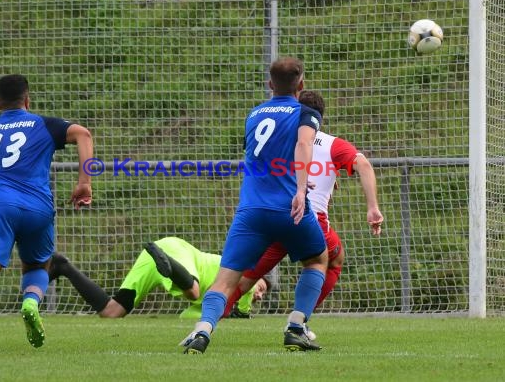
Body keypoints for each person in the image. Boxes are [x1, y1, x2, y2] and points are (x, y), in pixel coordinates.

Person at [181, 57, 328, 354]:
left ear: (270, 84)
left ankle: (203, 329)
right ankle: (296, 327)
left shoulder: (254, 114)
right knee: (317, 260)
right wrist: (300, 188)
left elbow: (267, 156)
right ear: (301, 84)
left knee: (225, 281)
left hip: (251, 212)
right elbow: (303, 144)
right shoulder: (306, 111)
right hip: (290, 209)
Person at [223, 90, 384, 327]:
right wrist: (373, 208)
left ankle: (210, 317)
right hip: (309, 218)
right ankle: (300, 319)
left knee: (246, 277)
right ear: (321, 118)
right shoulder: (332, 144)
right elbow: (363, 164)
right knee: (333, 259)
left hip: (275, 212)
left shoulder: (282, 140)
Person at [0, 74, 93, 352]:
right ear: (27, 99)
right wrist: (84, 182)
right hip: (38, 207)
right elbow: (83, 134)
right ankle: (31, 302)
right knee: (37, 264)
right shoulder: (43, 124)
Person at [47, 237, 270, 319]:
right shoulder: (242, 275)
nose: (259, 293)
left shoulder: (222, 301)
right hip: (175, 250)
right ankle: (167, 263)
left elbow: (188, 315)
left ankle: (63, 267)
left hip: (156, 255)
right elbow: (242, 306)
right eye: (262, 286)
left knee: (111, 312)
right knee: (192, 290)